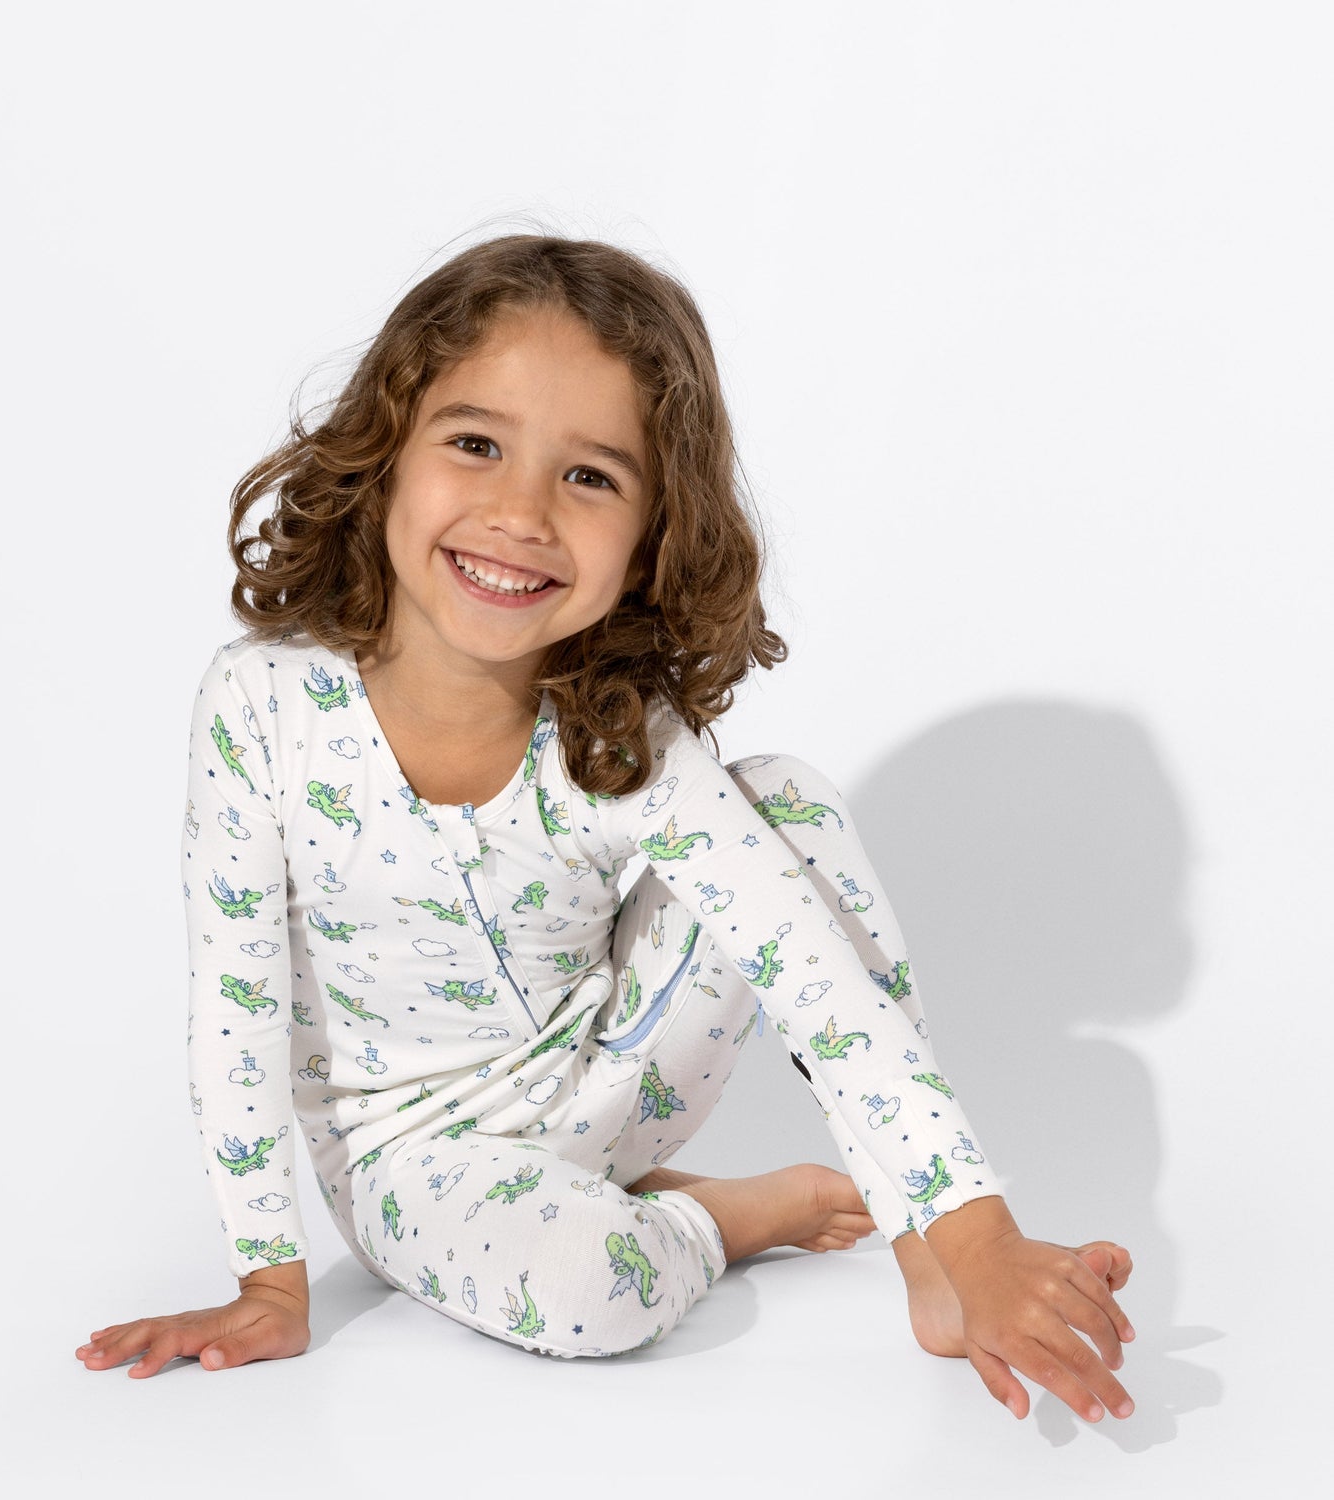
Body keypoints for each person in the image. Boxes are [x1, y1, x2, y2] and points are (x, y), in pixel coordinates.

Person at [77, 234, 1135, 1421]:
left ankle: (925, 1255)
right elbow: (236, 1006)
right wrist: (270, 1279)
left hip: (612, 1083)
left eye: (589, 476)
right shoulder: (263, 705)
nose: (520, 513)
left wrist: (976, 1233)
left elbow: (816, 978)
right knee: (591, 1288)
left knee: (785, 801)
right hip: (411, 1164)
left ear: (650, 539)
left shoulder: (626, 733)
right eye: (476, 444)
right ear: (383, 455)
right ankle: (717, 1216)